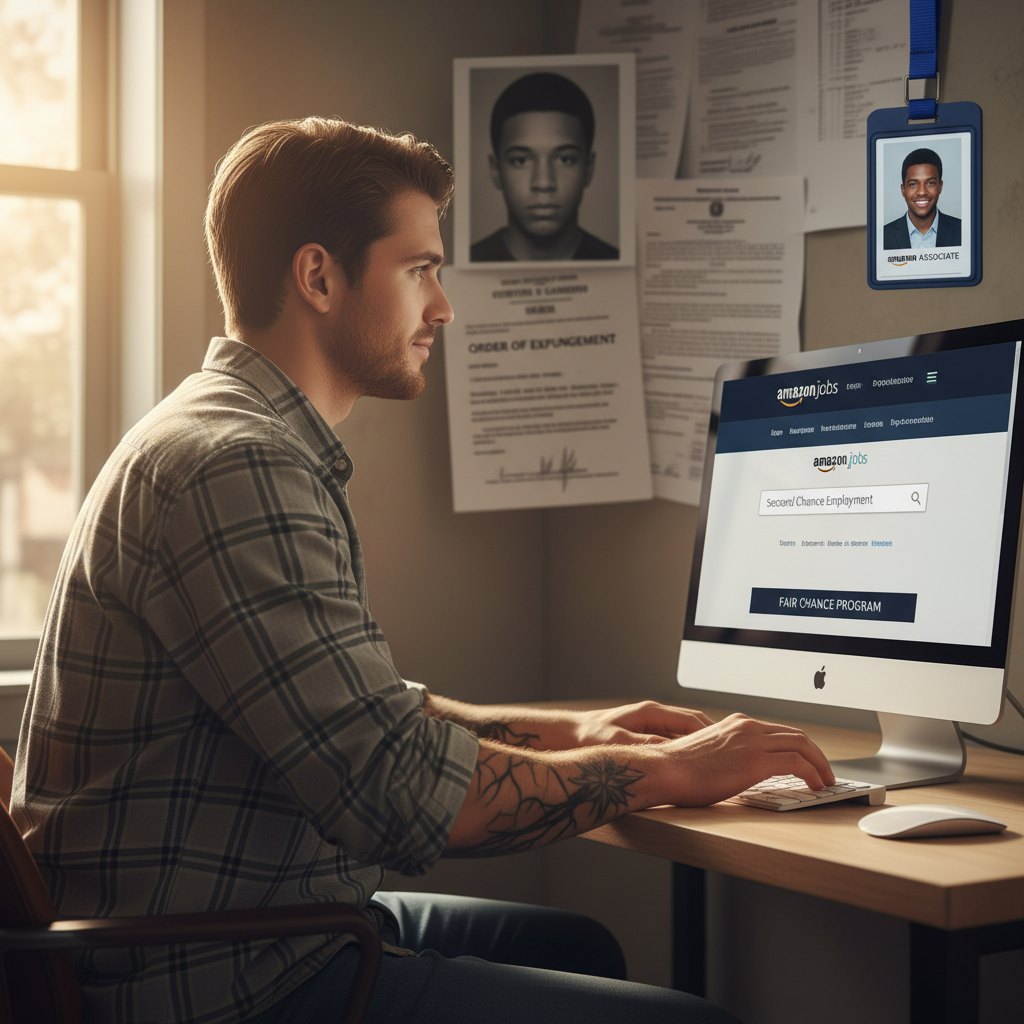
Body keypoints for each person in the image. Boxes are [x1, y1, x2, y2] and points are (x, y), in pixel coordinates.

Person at [12, 117, 834, 1024]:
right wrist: (678, 769)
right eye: (419, 270)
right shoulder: (236, 466)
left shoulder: (231, 435)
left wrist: (574, 731)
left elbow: (364, 717)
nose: (443, 307)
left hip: (261, 923)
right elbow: (400, 797)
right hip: (221, 980)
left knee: (580, 949)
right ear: (318, 277)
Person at [470, 72, 619, 262]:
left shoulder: (617, 266)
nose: (543, 183)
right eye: (520, 161)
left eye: (565, 159)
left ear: (588, 168)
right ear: (496, 170)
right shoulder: (462, 268)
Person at [882, 147, 962, 249]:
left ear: (940, 186)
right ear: (903, 190)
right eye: (913, 184)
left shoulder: (963, 230)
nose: (922, 192)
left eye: (930, 183)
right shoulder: (883, 236)